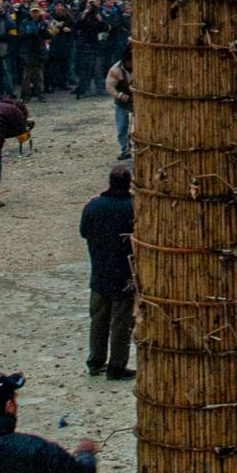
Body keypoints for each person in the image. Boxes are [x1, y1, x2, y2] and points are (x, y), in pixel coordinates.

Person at [79, 161, 135, 380]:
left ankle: (95, 362)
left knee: (98, 320)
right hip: (123, 273)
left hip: (99, 271)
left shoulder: (93, 206)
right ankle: (117, 366)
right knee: (120, 324)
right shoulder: (132, 208)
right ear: (129, 184)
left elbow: (84, 232)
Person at [105, 47, 133, 159]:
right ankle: (125, 150)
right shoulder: (115, 70)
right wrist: (120, 95)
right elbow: (109, 87)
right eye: (131, 61)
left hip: (138, 101)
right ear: (126, 61)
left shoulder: (141, 65)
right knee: (122, 127)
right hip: (122, 102)